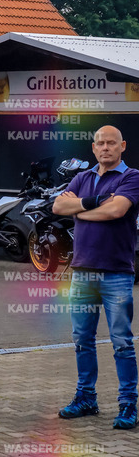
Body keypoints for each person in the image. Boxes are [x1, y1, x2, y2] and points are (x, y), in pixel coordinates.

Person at [53, 125, 139, 430]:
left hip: (116, 273)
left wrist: (80, 210)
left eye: (111, 143)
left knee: (122, 342)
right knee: (82, 341)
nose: (105, 148)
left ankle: (128, 404)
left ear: (122, 146)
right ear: (93, 148)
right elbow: (58, 205)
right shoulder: (82, 177)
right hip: (82, 273)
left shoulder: (132, 177)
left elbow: (116, 211)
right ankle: (86, 398)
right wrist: (94, 203)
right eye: (100, 143)